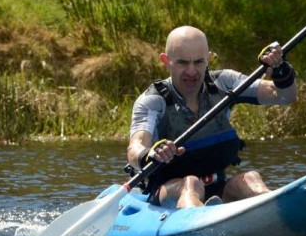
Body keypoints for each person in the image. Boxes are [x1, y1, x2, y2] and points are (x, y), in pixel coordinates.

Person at [127, 25, 297, 208]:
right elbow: (135, 148)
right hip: (169, 192)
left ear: (208, 59)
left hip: (218, 189)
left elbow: (284, 96)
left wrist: (281, 70)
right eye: (183, 63)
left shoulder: (224, 83)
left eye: (199, 62)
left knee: (250, 178)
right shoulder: (153, 101)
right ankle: (198, 219)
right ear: (166, 61)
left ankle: (278, 210)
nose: (191, 71)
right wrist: (151, 153)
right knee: (191, 183)